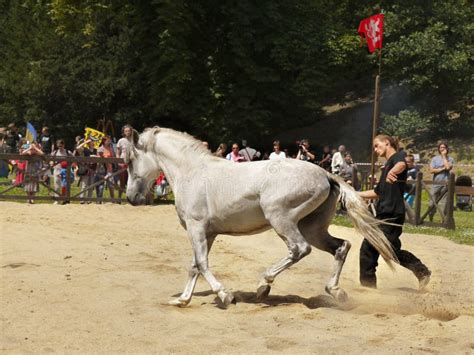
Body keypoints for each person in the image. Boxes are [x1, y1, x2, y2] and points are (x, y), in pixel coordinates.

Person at [358, 134, 431, 289]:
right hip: (384, 213)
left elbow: (402, 165)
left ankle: (367, 289)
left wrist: (393, 171)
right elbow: (378, 192)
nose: (375, 150)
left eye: (377, 145)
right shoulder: (386, 166)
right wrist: (355, 194)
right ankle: (421, 271)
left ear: (387, 142)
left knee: (369, 249)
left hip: (392, 213)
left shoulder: (397, 157)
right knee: (390, 250)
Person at [428, 142, 454, 221]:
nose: (442, 149)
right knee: (432, 203)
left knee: (444, 203)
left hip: (446, 183)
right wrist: (442, 169)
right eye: (441, 147)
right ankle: (430, 218)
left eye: (444, 147)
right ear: (438, 149)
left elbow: (448, 167)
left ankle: (444, 221)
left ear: (447, 149)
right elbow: (432, 171)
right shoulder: (434, 159)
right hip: (435, 183)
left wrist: (443, 157)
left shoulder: (450, 159)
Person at [74, 138, 97, 204]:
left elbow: (99, 158)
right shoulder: (85, 150)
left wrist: (94, 157)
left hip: (93, 169)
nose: (91, 143)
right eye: (90, 142)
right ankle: (82, 199)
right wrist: (86, 141)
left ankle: (89, 200)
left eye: (92, 142)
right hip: (85, 169)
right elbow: (78, 148)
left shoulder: (96, 150)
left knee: (91, 185)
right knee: (84, 185)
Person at [116, 124, 134, 200]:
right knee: (122, 182)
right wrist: (118, 161)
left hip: (132, 163)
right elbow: (117, 152)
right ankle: (119, 199)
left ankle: (131, 199)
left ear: (131, 131)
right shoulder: (121, 140)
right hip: (122, 163)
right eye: (126, 131)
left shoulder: (134, 140)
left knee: (132, 182)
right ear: (123, 132)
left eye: (129, 131)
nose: (127, 132)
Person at [96, 136, 116, 202]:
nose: (109, 141)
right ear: (104, 141)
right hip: (102, 170)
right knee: (101, 186)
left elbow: (113, 157)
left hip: (109, 169)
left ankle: (112, 199)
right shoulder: (100, 149)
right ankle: (99, 200)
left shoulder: (111, 148)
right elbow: (98, 159)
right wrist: (104, 157)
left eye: (110, 140)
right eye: (108, 140)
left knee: (111, 185)